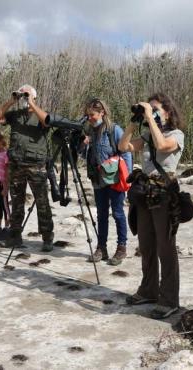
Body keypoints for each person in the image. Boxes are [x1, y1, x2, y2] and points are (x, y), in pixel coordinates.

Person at [118, 93, 186, 319]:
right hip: (145, 193)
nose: (152, 113)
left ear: (167, 112)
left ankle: (169, 300)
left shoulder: (177, 135)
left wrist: (151, 116)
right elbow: (123, 146)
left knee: (165, 248)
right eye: (151, 109)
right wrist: (134, 121)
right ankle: (148, 290)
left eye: (156, 109)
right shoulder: (147, 134)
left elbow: (163, 146)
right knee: (146, 245)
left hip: (164, 194)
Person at [0, 85, 54, 251]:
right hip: (16, 164)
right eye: (22, 95)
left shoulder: (42, 114)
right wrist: (11, 101)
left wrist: (31, 103)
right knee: (16, 202)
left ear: (34, 97)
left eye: (27, 95)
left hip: (36, 165)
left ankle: (47, 237)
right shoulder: (15, 115)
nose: (24, 99)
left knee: (42, 203)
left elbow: (47, 121)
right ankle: (15, 236)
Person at [79, 98, 132, 266]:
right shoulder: (90, 132)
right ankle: (101, 248)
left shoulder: (114, 130)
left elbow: (126, 153)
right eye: (87, 115)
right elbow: (83, 155)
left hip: (115, 179)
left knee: (117, 213)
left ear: (102, 112)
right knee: (101, 214)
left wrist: (128, 178)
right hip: (98, 179)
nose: (90, 118)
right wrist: (82, 145)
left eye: (92, 115)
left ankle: (121, 248)